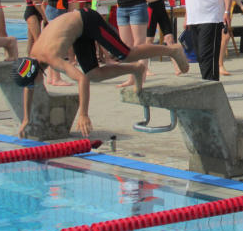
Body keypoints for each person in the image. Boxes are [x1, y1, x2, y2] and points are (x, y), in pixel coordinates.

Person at [12, 8, 189, 138]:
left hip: (88, 20)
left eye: (32, 82)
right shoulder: (32, 59)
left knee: (126, 54)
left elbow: (81, 79)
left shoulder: (51, 58)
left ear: (36, 73)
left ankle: (172, 50)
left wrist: (83, 114)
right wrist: (26, 119)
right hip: (78, 32)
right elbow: (29, 86)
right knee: (95, 75)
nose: (33, 86)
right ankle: (136, 68)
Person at [41, 0, 82, 86]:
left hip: (56, 7)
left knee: (54, 44)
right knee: (56, 45)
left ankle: (52, 76)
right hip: (55, 8)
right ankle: (56, 77)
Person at [143, 0, 180, 74]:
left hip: (161, 10)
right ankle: (144, 68)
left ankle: (176, 66)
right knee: (149, 41)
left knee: (170, 38)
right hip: (151, 11)